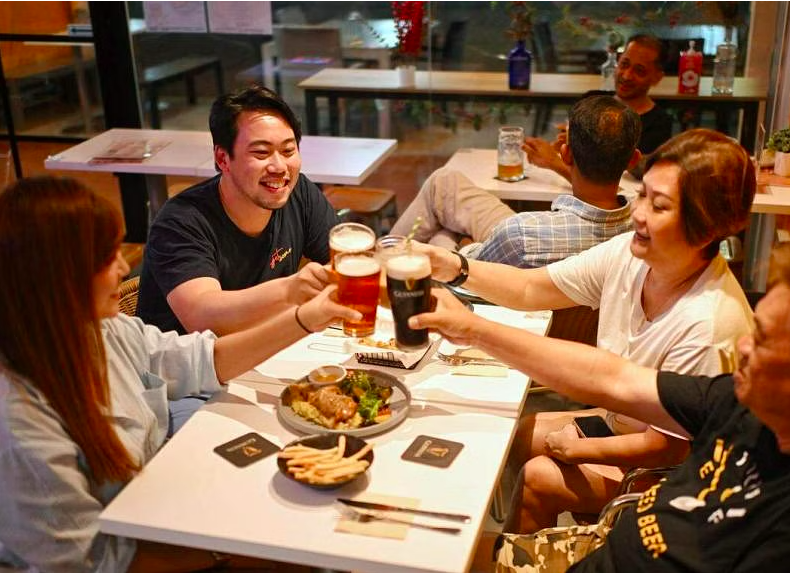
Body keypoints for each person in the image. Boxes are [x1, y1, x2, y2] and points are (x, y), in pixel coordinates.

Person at [410, 225, 790, 572]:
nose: (742, 345)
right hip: (600, 548)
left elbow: (659, 444)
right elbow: (613, 379)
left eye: (762, 339)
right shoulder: (747, 404)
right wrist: (471, 328)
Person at [0, 177, 358, 572]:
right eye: (106, 257)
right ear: (54, 277)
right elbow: (96, 562)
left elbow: (203, 361)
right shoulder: (19, 424)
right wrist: (230, 549)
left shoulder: (99, 330)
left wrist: (304, 319)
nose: (125, 267)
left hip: (164, 508)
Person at [410, 129, 756, 534]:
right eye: (641, 195)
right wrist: (455, 267)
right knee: (516, 435)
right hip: (625, 423)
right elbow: (530, 288)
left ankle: (540, 552)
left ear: (706, 227)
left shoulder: (708, 324)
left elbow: (667, 447)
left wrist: (580, 450)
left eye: (659, 206)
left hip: (683, 476)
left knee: (539, 477)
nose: (638, 213)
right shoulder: (629, 254)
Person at [137, 85, 339, 336]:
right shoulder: (180, 222)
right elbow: (202, 318)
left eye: (288, 151)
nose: (279, 167)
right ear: (223, 159)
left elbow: (344, 264)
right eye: (261, 153)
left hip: (269, 350)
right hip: (192, 359)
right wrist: (289, 290)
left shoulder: (299, 193)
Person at [390, 96, 641, 268]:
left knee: (442, 233)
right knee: (444, 183)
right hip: (549, 245)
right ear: (633, 160)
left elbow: (469, 269)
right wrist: (555, 164)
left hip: (491, 273)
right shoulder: (646, 227)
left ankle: (384, 268)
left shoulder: (520, 234)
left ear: (565, 153)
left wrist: (464, 243)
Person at [527, 34, 673, 185]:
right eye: (624, 64)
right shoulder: (590, 100)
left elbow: (611, 188)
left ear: (657, 78)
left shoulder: (659, 124)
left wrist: (554, 162)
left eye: (639, 71)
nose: (627, 76)